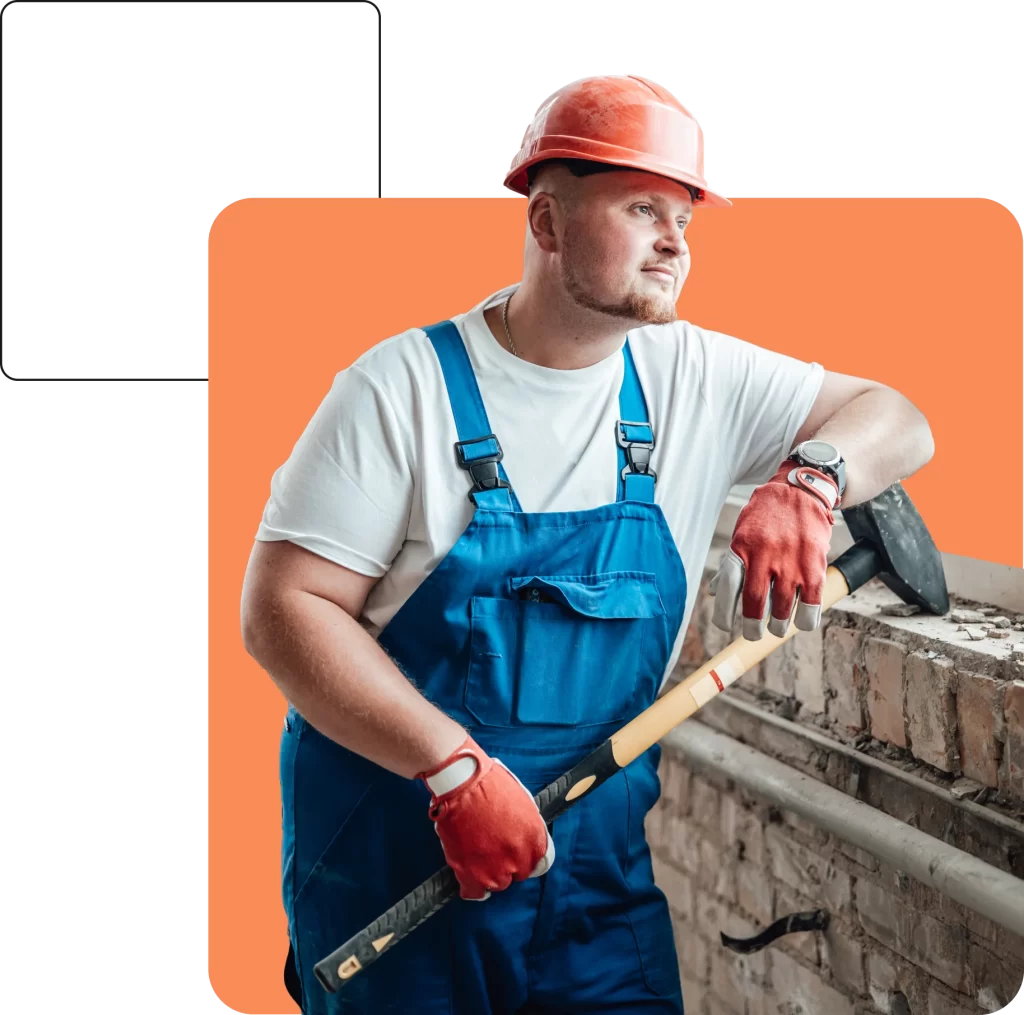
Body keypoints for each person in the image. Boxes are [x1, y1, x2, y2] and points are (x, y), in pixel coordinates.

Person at [240, 73, 934, 1014]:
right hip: (399, 874)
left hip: (592, 888)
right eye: (643, 207)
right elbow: (283, 611)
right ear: (547, 222)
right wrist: (449, 764)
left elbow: (900, 418)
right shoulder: (398, 390)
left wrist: (812, 476)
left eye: (686, 215)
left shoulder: (693, 374)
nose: (675, 241)